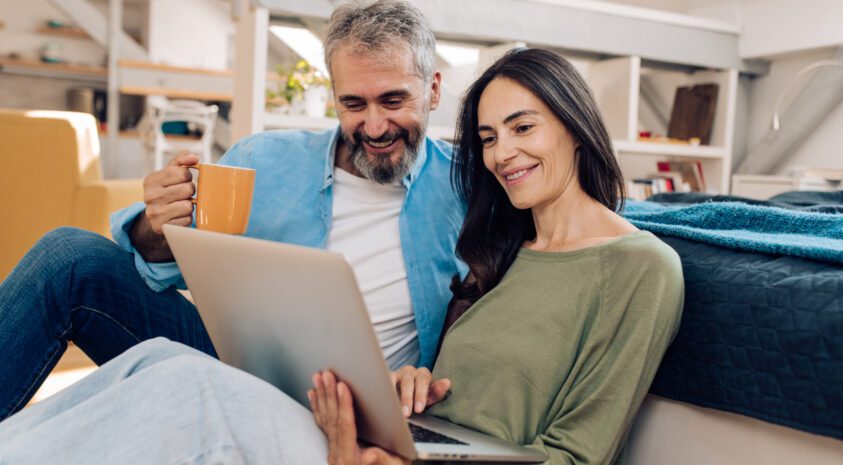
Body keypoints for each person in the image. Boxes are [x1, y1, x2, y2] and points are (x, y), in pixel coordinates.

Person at [0, 48, 684, 465]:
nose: (502, 153)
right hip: (383, 425)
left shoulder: (635, 264)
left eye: (522, 127)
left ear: (574, 122)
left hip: (389, 446)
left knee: (192, 386)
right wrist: (412, 382)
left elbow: (578, 449)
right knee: (164, 359)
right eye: (488, 137)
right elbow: (461, 380)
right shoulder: (506, 244)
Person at [0, 0, 466, 421]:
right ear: (334, 97)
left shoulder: (469, 188)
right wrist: (157, 225)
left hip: (348, 407)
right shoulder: (263, 159)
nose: (375, 125)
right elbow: (159, 269)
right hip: (223, 359)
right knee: (69, 256)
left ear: (433, 89)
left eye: (393, 100)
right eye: (353, 104)